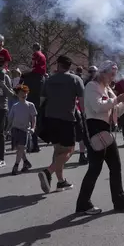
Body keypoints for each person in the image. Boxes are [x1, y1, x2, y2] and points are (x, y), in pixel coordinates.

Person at [76, 61, 124, 214]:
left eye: (114, 75)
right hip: (95, 129)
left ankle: (119, 202)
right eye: (111, 74)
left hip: (105, 130)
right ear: (102, 73)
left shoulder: (107, 88)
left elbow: (116, 111)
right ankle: (85, 203)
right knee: (96, 168)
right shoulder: (92, 86)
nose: (112, 78)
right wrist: (117, 99)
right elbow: (98, 107)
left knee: (113, 166)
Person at [38, 55, 84, 193]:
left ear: (58, 65)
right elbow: (82, 102)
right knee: (70, 150)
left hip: (50, 118)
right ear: (69, 66)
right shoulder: (76, 79)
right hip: (67, 118)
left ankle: (60, 181)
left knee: (58, 151)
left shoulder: (49, 80)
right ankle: (48, 171)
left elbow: (41, 101)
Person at [20, 42, 46, 153]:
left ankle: (32, 144)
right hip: (39, 85)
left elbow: (34, 67)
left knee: (31, 117)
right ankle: (34, 143)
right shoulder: (43, 55)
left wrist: (25, 74)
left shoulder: (36, 54)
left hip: (34, 84)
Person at [7, 85, 36, 176]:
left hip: (25, 130)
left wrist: (33, 128)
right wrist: (7, 129)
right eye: (21, 93)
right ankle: (26, 162)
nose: (24, 95)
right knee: (19, 148)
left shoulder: (30, 105)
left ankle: (16, 166)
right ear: (17, 95)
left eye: (25, 93)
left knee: (21, 147)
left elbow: (33, 117)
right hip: (15, 129)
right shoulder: (15, 106)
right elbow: (10, 119)